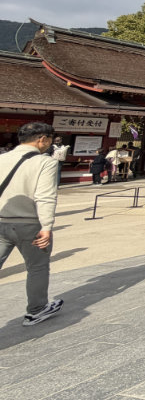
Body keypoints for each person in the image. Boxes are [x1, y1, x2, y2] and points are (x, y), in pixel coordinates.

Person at [0, 122, 64, 326]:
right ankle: (36, 309)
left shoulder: (1, 158)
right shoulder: (45, 162)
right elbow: (45, 196)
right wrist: (47, 226)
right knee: (37, 267)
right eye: (50, 140)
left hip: (1, 221)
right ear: (42, 139)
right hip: (30, 224)